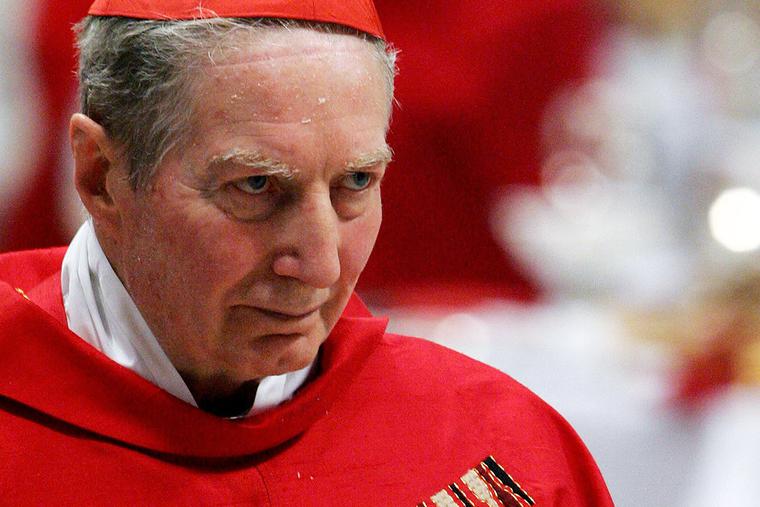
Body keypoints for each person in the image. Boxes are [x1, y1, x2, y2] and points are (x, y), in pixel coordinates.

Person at [0, 1, 613, 505]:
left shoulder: (495, 447)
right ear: (102, 175)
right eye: (257, 187)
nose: (321, 266)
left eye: (355, 184)